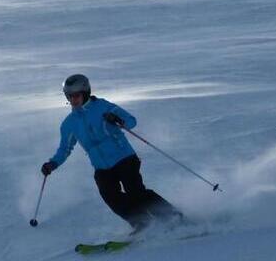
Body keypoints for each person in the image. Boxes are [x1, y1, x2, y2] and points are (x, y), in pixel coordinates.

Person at [41, 74, 181, 232]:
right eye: (70, 96)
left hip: (124, 158)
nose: (73, 100)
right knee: (111, 197)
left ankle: (172, 216)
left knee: (136, 193)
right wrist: (52, 164)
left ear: (86, 93)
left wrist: (117, 119)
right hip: (101, 167)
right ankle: (141, 222)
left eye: (77, 96)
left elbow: (131, 120)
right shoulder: (69, 124)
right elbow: (64, 149)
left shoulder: (102, 107)